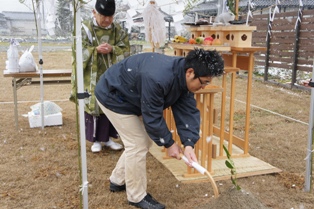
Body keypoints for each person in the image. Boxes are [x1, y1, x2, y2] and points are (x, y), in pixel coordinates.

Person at [94, 48, 224, 209]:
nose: (204, 87)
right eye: (204, 82)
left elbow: (187, 112)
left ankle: (117, 180)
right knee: (138, 143)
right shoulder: (158, 78)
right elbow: (152, 116)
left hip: (133, 96)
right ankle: (136, 196)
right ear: (191, 72)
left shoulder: (182, 77)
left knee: (143, 142)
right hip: (114, 96)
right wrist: (169, 144)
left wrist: (189, 144)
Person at [70, 0, 130, 152]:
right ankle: (95, 139)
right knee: (94, 105)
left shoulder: (117, 30)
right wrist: (94, 50)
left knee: (110, 104)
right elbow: (77, 50)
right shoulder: (84, 28)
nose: (107, 20)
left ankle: (108, 138)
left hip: (111, 75)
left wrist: (113, 49)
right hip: (92, 75)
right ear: (94, 12)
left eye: (110, 16)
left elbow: (126, 49)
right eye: (103, 16)